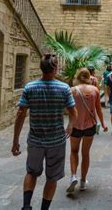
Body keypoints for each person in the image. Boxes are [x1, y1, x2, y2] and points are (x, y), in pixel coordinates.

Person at [12, 54, 78, 210]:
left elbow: (20, 113)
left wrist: (15, 140)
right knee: (52, 177)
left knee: (31, 172)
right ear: (55, 68)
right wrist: (70, 126)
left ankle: (27, 206)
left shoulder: (30, 87)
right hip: (56, 141)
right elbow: (73, 112)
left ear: (42, 68)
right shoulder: (63, 88)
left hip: (35, 140)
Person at [66, 68, 108, 195]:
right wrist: (104, 123)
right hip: (90, 126)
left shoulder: (72, 91)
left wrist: (69, 124)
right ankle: (83, 181)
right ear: (89, 76)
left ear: (78, 76)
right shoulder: (94, 90)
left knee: (74, 151)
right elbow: (98, 110)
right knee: (86, 153)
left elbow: (70, 110)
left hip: (76, 126)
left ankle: (73, 176)